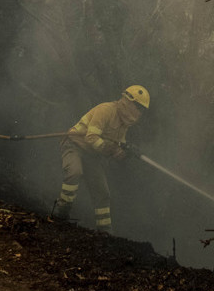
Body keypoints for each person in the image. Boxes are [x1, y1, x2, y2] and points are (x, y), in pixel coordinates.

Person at [54, 85, 149, 232]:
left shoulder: (124, 124)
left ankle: (105, 231)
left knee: (102, 192)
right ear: (128, 101)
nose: (139, 112)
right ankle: (60, 214)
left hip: (92, 154)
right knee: (75, 172)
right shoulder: (106, 110)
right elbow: (91, 137)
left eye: (141, 109)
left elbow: (116, 149)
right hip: (74, 144)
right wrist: (109, 149)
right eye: (138, 107)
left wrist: (125, 153)